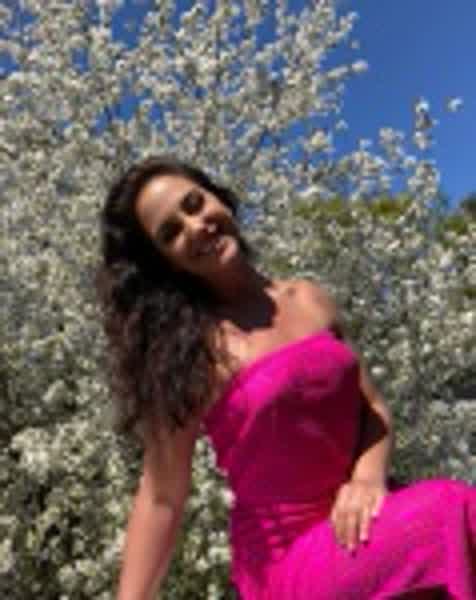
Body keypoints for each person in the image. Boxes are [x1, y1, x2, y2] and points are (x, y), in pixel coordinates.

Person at [95, 155, 475, 600]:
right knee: (450, 510)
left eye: (195, 203)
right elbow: (162, 496)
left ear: (218, 196)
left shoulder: (311, 299)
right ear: (168, 263)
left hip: (363, 523)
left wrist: (367, 478)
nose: (196, 226)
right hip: (286, 562)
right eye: (171, 233)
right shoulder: (188, 353)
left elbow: (371, 408)